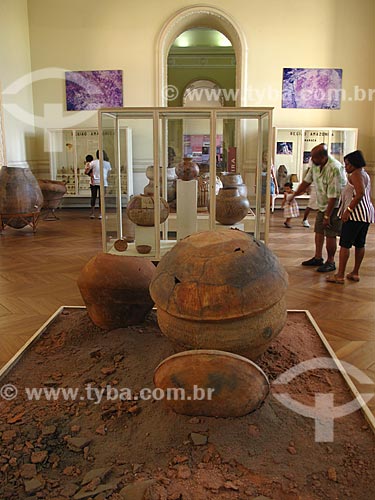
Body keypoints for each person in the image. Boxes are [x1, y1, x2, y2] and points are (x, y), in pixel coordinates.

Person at [290, 143, 346, 272]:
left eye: (313, 157)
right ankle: (318, 257)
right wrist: (294, 195)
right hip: (323, 205)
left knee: (330, 234)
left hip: (334, 207)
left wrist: (327, 215)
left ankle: (331, 261)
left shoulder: (335, 168)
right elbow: (306, 182)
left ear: (322, 157)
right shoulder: (315, 166)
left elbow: (334, 196)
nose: (311, 160)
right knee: (319, 231)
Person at [326, 150, 374, 284]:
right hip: (366, 214)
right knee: (360, 243)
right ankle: (355, 272)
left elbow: (360, 193)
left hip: (355, 215)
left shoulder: (356, 174)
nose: (346, 167)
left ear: (354, 164)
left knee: (345, 244)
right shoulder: (364, 174)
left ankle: (340, 275)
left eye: (347, 164)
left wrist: (348, 210)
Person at [85, 150, 111, 219]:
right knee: (101, 198)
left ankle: (92, 213)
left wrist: (91, 175)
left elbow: (87, 171)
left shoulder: (93, 162)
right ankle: (101, 214)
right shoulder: (107, 163)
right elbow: (108, 174)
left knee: (93, 197)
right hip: (103, 182)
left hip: (94, 182)